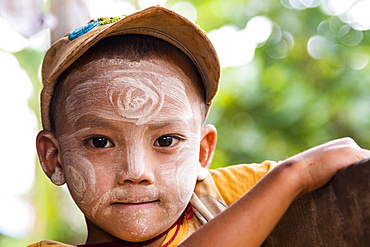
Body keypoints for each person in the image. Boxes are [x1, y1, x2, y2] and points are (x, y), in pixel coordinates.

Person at [30, 6, 370, 247]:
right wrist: (294, 175)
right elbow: (295, 176)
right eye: (100, 142)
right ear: (54, 157)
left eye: (165, 140)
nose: (136, 171)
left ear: (203, 151)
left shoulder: (225, 194)